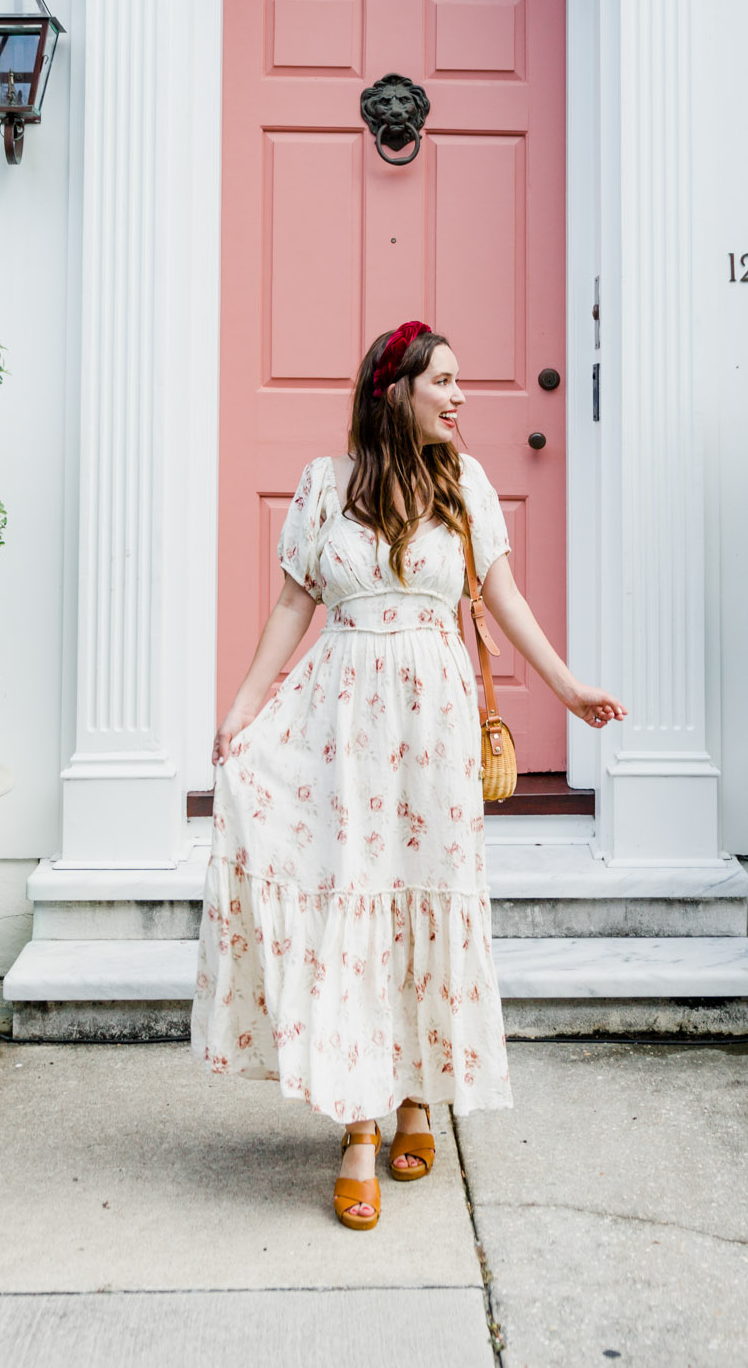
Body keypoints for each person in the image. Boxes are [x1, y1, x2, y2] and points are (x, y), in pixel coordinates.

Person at [192, 320, 626, 1229]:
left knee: (425, 895)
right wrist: (240, 712)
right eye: (448, 382)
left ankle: (420, 1093)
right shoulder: (324, 486)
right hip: (338, 719)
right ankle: (358, 1127)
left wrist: (569, 687)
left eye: (463, 382)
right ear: (398, 390)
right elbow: (291, 608)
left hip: (431, 725)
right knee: (352, 899)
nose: (462, 397)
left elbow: (503, 599)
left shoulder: (465, 485)